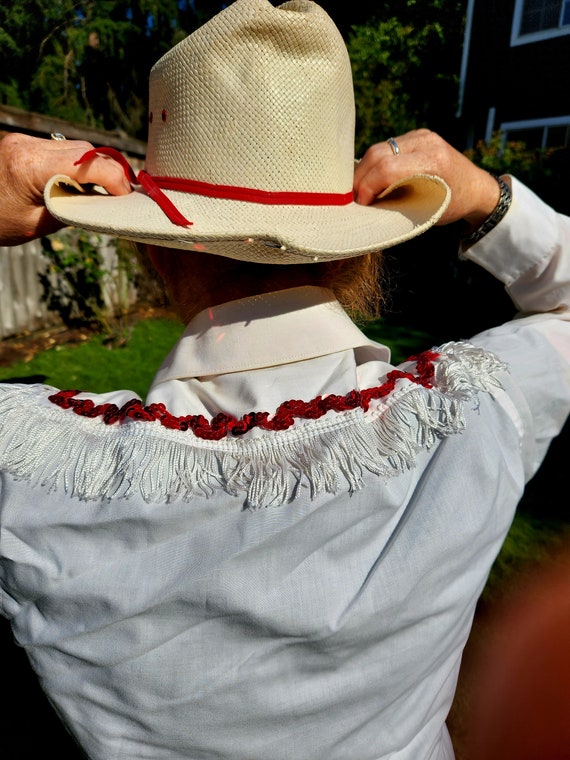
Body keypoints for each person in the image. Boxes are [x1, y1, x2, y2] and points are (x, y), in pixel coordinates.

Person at [0, 1, 568, 758]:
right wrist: (484, 200)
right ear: (360, 249)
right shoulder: (475, 416)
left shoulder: (28, 472)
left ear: (155, 251)